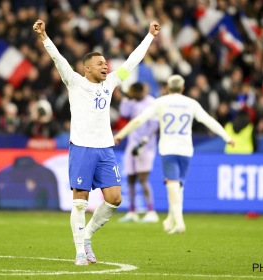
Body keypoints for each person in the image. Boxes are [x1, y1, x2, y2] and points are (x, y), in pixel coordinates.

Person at [33, 19, 161, 265]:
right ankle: (80, 251)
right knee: (80, 202)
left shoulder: (110, 83)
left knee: (114, 199)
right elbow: (58, 59)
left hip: (105, 149)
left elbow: (132, 61)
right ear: (87, 69)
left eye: (106, 63)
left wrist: (149, 36)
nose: (106, 66)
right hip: (81, 148)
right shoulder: (74, 82)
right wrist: (44, 36)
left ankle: (87, 236)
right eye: (100, 64)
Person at [114, 75, 235, 234]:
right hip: (186, 150)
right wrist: (227, 137)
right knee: (178, 188)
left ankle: (179, 222)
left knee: (172, 185)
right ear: (183, 88)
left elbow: (139, 120)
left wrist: (121, 134)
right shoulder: (191, 103)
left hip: (169, 148)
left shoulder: (161, 102)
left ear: (168, 88)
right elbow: (209, 121)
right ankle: (171, 219)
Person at [118, 82, 159, 223]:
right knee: (130, 177)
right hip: (132, 144)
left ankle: (151, 211)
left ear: (140, 91)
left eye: (133, 93)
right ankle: (132, 211)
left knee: (143, 178)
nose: (132, 95)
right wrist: (126, 99)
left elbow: (155, 125)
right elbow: (123, 114)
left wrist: (143, 143)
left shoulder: (152, 103)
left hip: (146, 146)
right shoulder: (132, 101)